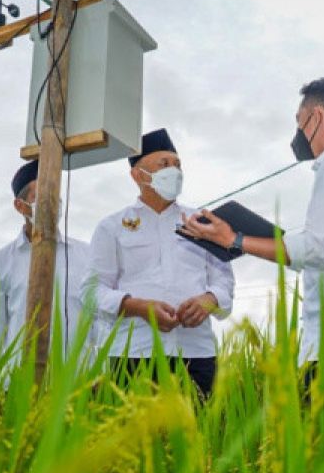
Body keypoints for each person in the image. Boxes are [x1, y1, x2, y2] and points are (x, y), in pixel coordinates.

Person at [180, 75, 324, 367]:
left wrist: (234, 239)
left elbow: (315, 248)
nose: (297, 130)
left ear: (316, 116)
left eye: (299, 120)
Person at [85, 128, 235, 399]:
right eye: (164, 164)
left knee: (198, 437)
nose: (174, 171)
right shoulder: (112, 227)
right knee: (134, 440)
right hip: (134, 356)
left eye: (178, 165)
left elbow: (224, 281)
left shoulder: (202, 222)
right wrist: (138, 307)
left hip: (196, 355)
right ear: (138, 175)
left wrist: (210, 299)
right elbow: (92, 292)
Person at [0, 160, 96, 359]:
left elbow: (100, 320)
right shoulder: (0, 263)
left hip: (80, 382)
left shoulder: (86, 255)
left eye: (55, 193)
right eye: (41, 195)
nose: (52, 201)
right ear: (20, 206)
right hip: (20, 383)